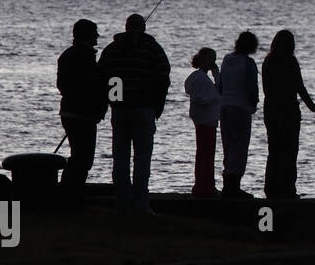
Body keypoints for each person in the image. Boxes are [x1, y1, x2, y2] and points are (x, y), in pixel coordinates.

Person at [98, 13, 171, 216]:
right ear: (143, 28)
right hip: (143, 109)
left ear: (126, 27)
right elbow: (163, 77)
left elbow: (102, 76)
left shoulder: (112, 50)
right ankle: (140, 203)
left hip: (119, 109)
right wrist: (157, 105)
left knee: (120, 157)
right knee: (142, 158)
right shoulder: (152, 49)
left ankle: (121, 204)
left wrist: (113, 99)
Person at [261, 29, 315, 199]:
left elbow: (266, 88)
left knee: (274, 151)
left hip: (271, 110)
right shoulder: (290, 61)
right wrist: (313, 107)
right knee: (289, 152)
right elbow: (299, 87)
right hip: (288, 110)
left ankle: (271, 189)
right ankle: (288, 189)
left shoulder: (268, 61)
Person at [56, 19, 109, 207]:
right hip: (83, 116)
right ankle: (71, 199)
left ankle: (68, 196)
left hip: (69, 113)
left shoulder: (67, 56)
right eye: (94, 32)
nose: (97, 36)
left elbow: (62, 85)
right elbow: (97, 86)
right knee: (83, 160)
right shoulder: (87, 59)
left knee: (78, 157)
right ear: (86, 35)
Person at [218, 31, 260, 199]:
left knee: (228, 146)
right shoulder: (248, 63)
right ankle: (234, 185)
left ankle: (227, 183)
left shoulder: (226, 59)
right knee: (240, 146)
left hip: (224, 106)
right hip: (241, 107)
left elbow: (220, 85)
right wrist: (254, 103)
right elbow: (252, 87)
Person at [185, 47, 221, 198]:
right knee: (206, 154)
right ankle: (205, 186)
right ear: (204, 59)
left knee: (203, 153)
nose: (214, 62)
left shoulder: (198, 77)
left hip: (204, 120)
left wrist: (216, 76)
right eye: (212, 59)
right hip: (205, 120)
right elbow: (201, 98)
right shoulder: (200, 79)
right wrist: (214, 98)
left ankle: (202, 184)